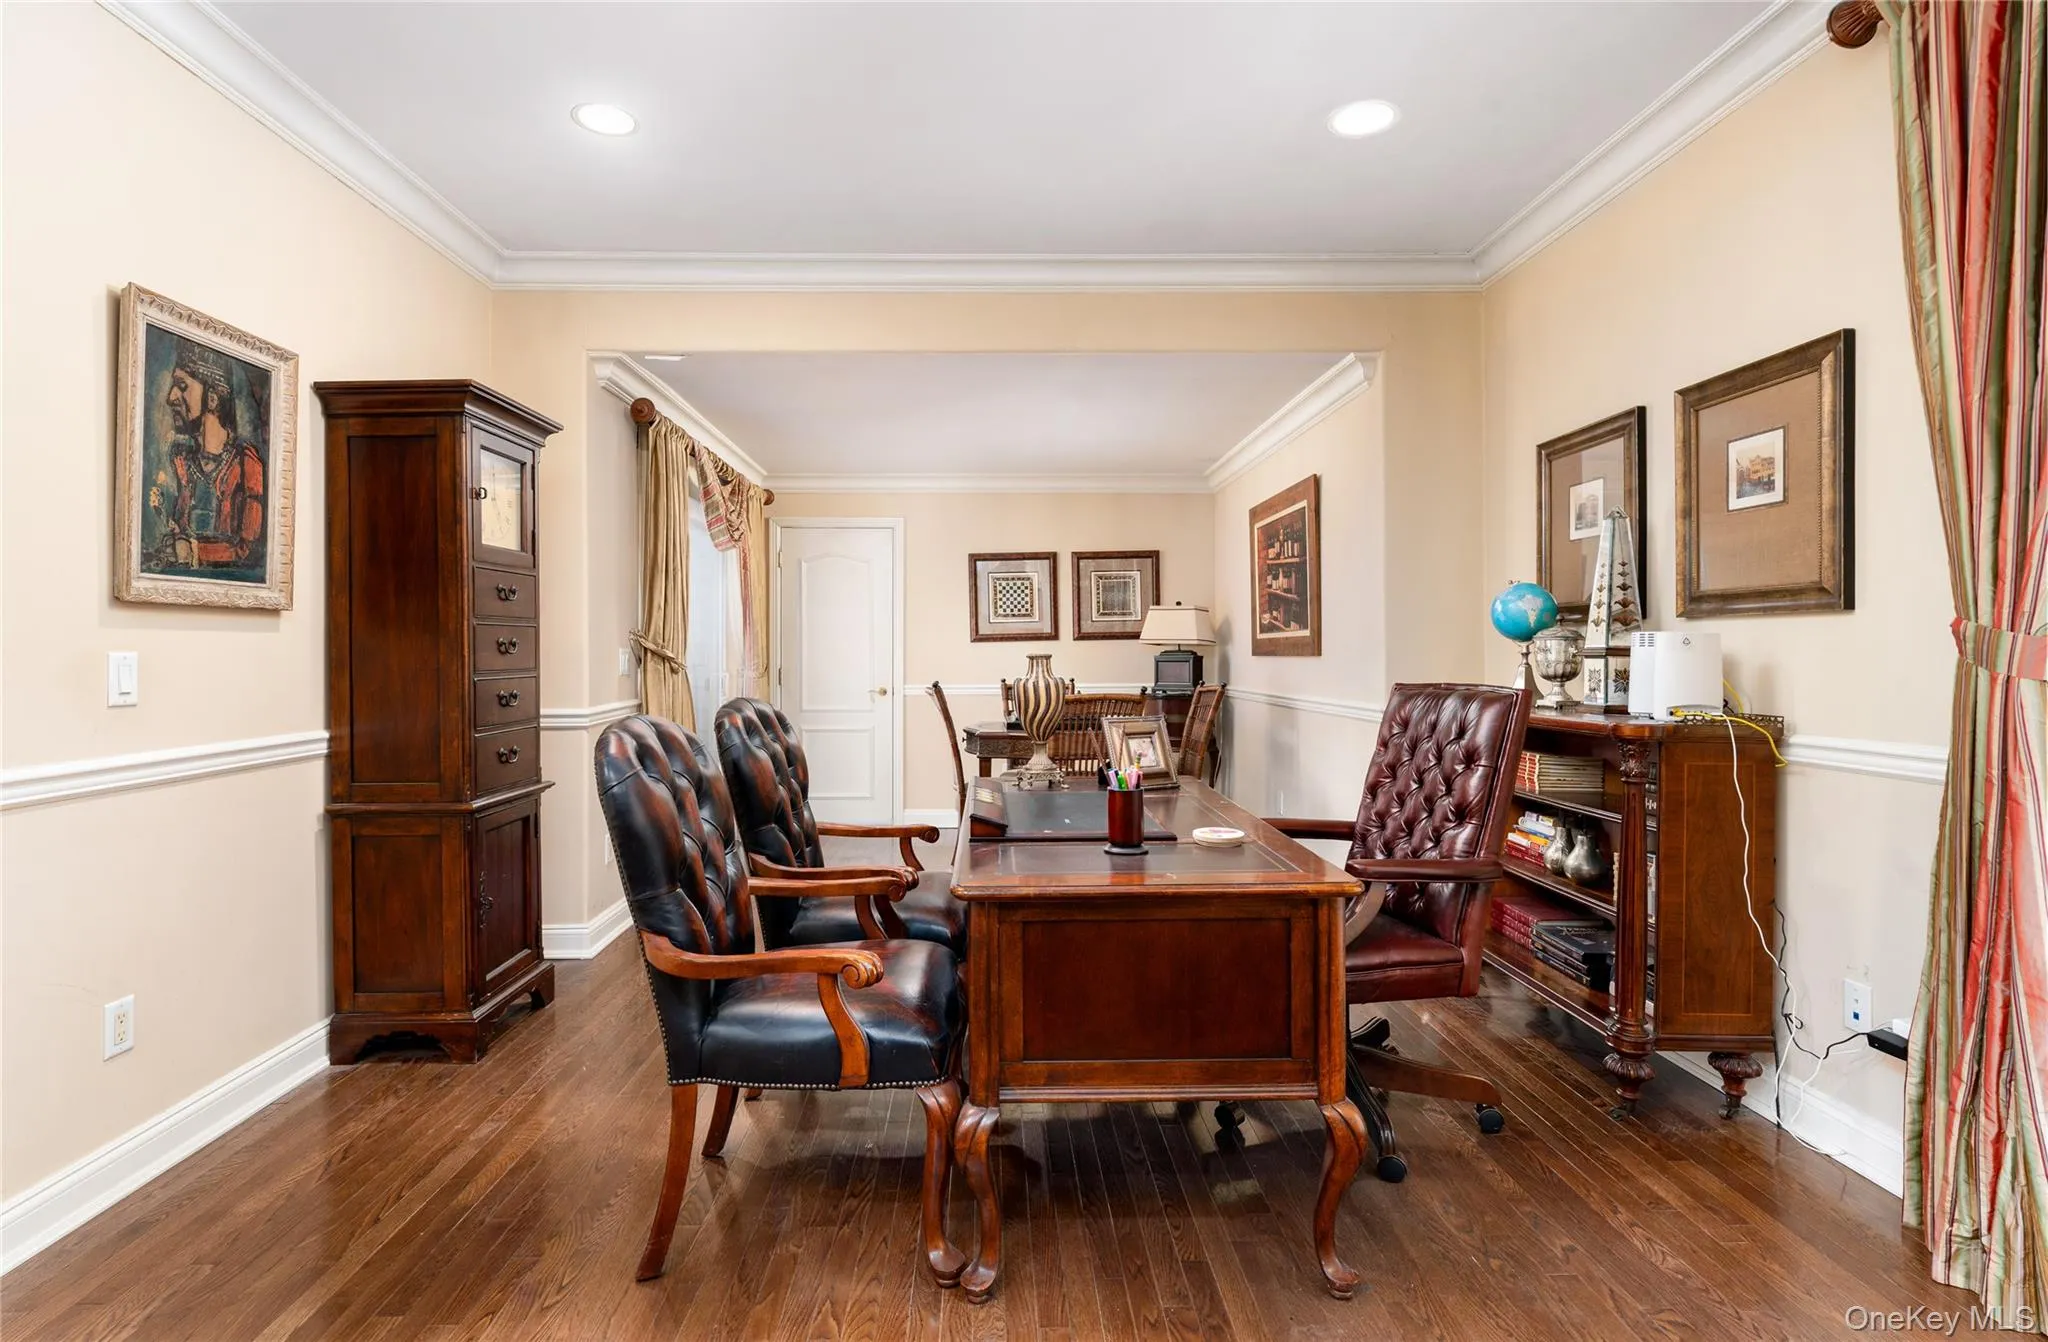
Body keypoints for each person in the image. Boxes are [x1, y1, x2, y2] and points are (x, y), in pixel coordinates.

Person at [147, 337, 265, 573]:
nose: (171, 398)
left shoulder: (246, 464)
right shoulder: (182, 461)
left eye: (182, 386)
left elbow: (247, 548)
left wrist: (193, 551)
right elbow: (178, 531)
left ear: (212, 398)